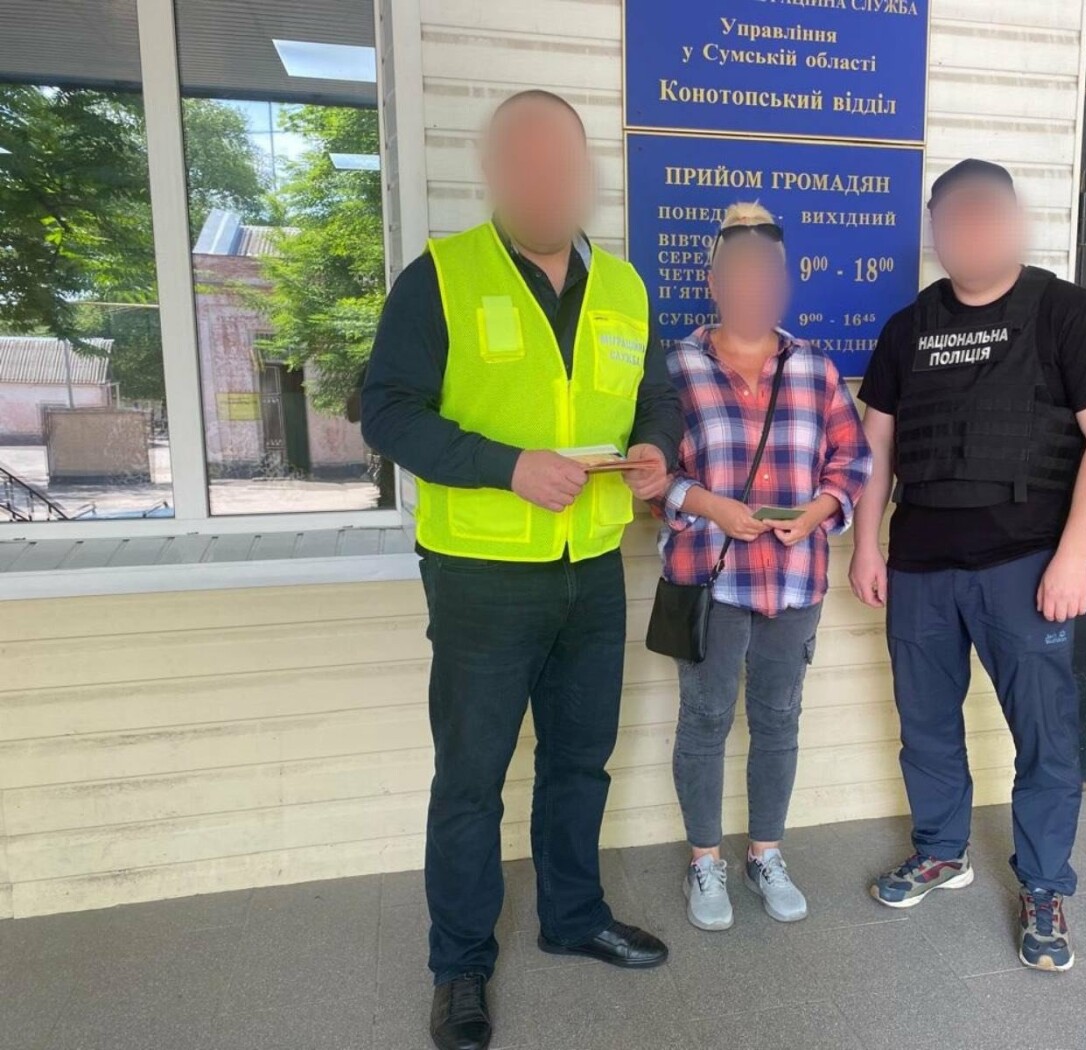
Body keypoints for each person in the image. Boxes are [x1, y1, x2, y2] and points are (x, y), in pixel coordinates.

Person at [360, 90, 682, 1050]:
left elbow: (654, 398)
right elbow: (388, 413)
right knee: (471, 779)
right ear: (493, 172)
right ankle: (459, 964)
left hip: (593, 567)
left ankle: (572, 916)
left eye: (561, 166)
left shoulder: (624, 285)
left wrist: (658, 450)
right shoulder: (440, 278)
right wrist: (508, 467)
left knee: (580, 760)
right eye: (526, 164)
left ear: (586, 174)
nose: (546, 183)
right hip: (482, 575)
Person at [850, 159, 1086, 972]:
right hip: (921, 565)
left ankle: (1044, 884)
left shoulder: (1068, 313)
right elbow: (877, 445)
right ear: (936, 230)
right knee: (926, 725)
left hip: (1026, 564)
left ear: (1014, 222)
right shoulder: (907, 327)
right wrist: (867, 543)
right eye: (954, 218)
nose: (969, 231)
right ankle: (942, 850)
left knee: (1043, 734)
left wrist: (1075, 556)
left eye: (986, 215)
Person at [660, 202, 871, 932]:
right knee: (706, 718)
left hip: (794, 579)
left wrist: (820, 512)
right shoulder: (676, 369)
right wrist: (710, 506)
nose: (755, 288)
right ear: (713, 283)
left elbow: (852, 460)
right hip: (708, 578)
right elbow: (652, 475)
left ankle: (766, 853)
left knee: (779, 718)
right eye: (740, 274)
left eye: (768, 276)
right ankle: (705, 860)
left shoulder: (815, 368)